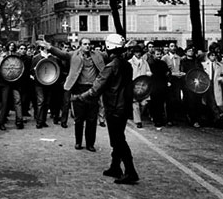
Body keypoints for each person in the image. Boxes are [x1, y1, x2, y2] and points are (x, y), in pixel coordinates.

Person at [63, 34, 138, 184]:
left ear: (108, 47)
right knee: (118, 138)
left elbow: (95, 90)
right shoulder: (126, 65)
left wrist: (77, 98)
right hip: (124, 107)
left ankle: (130, 171)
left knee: (118, 140)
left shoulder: (110, 67)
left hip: (114, 107)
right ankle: (115, 167)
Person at [46, 38, 105, 152]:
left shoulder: (97, 55)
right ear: (80, 45)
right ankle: (78, 142)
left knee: (92, 119)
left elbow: (109, 54)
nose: (87, 46)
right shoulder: (74, 55)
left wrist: (125, 47)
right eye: (85, 44)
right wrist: (49, 47)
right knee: (79, 119)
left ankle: (90, 144)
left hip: (92, 90)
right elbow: (62, 54)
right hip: (78, 89)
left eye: (89, 44)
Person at [128, 45, 151, 128]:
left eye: (139, 52)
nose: (138, 54)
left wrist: (148, 74)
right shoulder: (130, 62)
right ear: (134, 53)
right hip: (134, 85)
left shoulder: (145, 62)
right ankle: (138, 121)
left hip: (144, 84)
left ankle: (140, 116)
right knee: (135, 103)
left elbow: (148, 71)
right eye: (136, 52)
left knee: (144, 102)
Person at [201, 51, 223, 126]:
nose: (213, 56)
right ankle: (212, 118)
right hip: (207, 84)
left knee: (216, 102)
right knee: (208, 101)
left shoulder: (220, 65)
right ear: (208, 56)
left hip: (216, 84)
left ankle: (217, 118)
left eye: (214, 55)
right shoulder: (204, 65)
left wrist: (222, 78)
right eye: (211, 55)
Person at [149, 48, 170, 129]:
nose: (159, 56)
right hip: (154, 86)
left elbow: (167, 73)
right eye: (157, 54)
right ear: (153, 55)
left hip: (162, 85)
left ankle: (160, 119)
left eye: (160, 54)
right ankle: (156, 120)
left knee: (161, 104)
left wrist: (168, 77)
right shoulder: (151, 64)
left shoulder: (163, 63)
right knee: (155, 103)